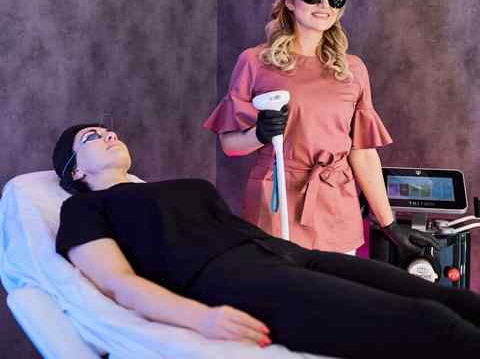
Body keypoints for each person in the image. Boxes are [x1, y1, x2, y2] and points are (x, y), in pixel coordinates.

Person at [53, 123, 480, 358]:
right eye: (92, 137)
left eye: (109, 131)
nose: (109, 135)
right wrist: (201, 319)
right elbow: (119, 283)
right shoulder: (82, 209)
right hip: (235, 279)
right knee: (429, 323)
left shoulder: (177, 188)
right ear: (75, 171)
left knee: (449, 299)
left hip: (289, 254)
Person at [203, 0, 415, 255]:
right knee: (279, 283)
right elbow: (230, 145)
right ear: (290, 0)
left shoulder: (353, 70)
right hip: (276, 202)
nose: (324, 4)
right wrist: (259, 135)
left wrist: (388, 224)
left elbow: (363, 154)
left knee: (336, 285)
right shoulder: (254, 62)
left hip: (335, 205)